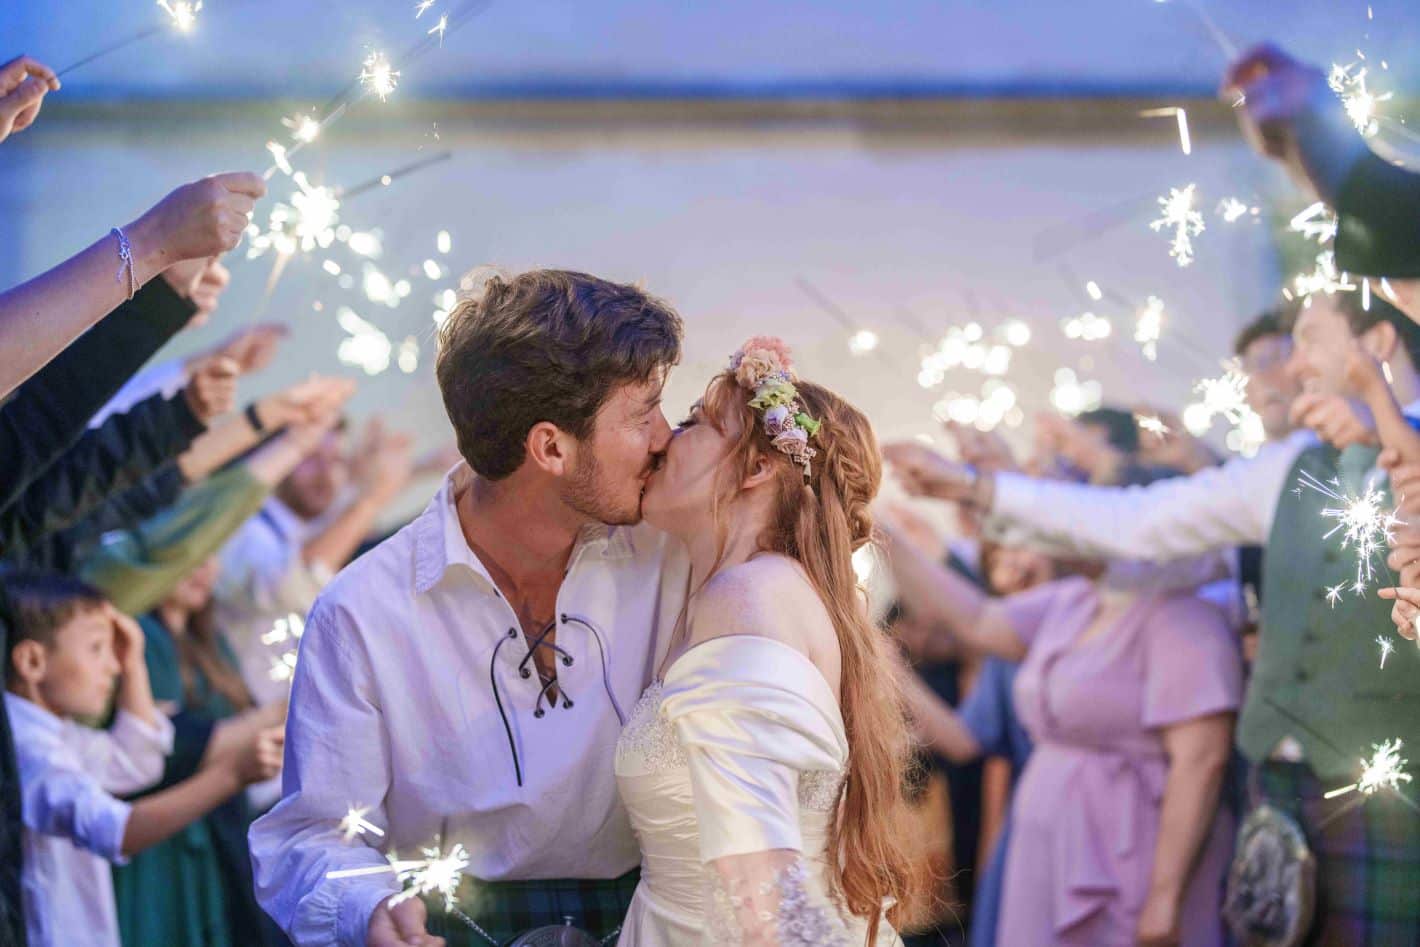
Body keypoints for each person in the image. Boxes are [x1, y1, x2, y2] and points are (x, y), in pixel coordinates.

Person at [886, 289, 1420, 944]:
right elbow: (1135, 521)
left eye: (1308, 340)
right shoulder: (1285, 470)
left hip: (1391, 808)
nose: (1287, 368)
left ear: (1381, 345)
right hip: (1275, 793)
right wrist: (976, 487)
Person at [250, 269, 691, 947]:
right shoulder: (359, 611)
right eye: (643, 413)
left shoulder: (673, 555)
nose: (667, 436)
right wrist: (367, 908)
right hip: (454, 930)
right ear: (550, 446)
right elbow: (312, 835)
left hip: (652, 924)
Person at [613, 337, 919, 945]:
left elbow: (764, 888)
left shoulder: (745, 602)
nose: (666, 441)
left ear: (757, 468)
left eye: (695, 423)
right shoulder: (757, 590)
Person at [883, 510, 1240, 945]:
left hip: (1126, 853)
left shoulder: (1185, 618)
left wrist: (1163, 898)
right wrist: (885, 534)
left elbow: (1201, 760)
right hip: (1046, 841)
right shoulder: (1075, 601)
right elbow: (975, 619)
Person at [3, 573, 275, 947]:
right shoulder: (29, 750)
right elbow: (119, 832)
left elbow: (136, 762)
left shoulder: (55, 734)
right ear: (32, 660)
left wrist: (133, 663)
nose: (111, 667)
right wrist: (230, 774)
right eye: (97, 649)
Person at [113, 558, 285, 947]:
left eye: (213, 554)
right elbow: (175, 747)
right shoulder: (140, 635)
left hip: (221, 834)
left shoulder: (210, 640)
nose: (203, 568)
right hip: (165, 846)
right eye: (192, 553)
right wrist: (284, 709)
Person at [214, 415, 415, 711]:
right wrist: (371, 498)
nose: (325, 474)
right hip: (240, 714)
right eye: (311, 459)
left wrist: (418, 470)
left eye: (336, 461)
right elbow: (291, 584)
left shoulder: (302, 527)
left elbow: (330, 528)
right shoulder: (243, 527)